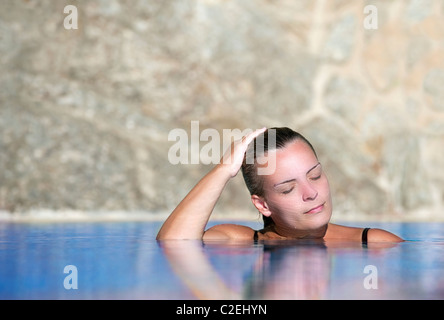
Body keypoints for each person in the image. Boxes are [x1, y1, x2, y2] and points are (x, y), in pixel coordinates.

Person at [156, 127, 403, 243]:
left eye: (315, 175)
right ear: (262, 204)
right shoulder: (238, 241)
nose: (311, 193)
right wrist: (224, 170)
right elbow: (174, 243)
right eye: (288, 188)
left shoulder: (375, 244)